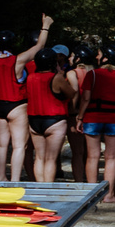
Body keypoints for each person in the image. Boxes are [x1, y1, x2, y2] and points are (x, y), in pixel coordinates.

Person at [0, 16, 50, 182]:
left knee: (1, 145)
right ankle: (15, 180)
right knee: (19, 146)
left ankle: (2, 178)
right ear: (13, 44)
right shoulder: (18, 61)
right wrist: (46, 26)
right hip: (16, 105)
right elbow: (39, 46)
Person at [76, 43, 115, 201]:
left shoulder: (92, 75)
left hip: (93, 117)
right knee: (111, 158)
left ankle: (91, 194)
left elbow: (86, 98)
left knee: (92, 156)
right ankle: (108, 195)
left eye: (99, 54)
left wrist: (80, 117)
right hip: (114, 118)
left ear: (106, 57)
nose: (96, 57)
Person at [26, 42, 74, 183]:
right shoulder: (57, 78)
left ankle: (40, 188)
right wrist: (60, 72)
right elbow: (72, 93)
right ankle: (48, 188)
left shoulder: (30, 78)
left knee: (39, 157)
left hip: (34, 120)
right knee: (51, 158)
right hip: (54, 120)